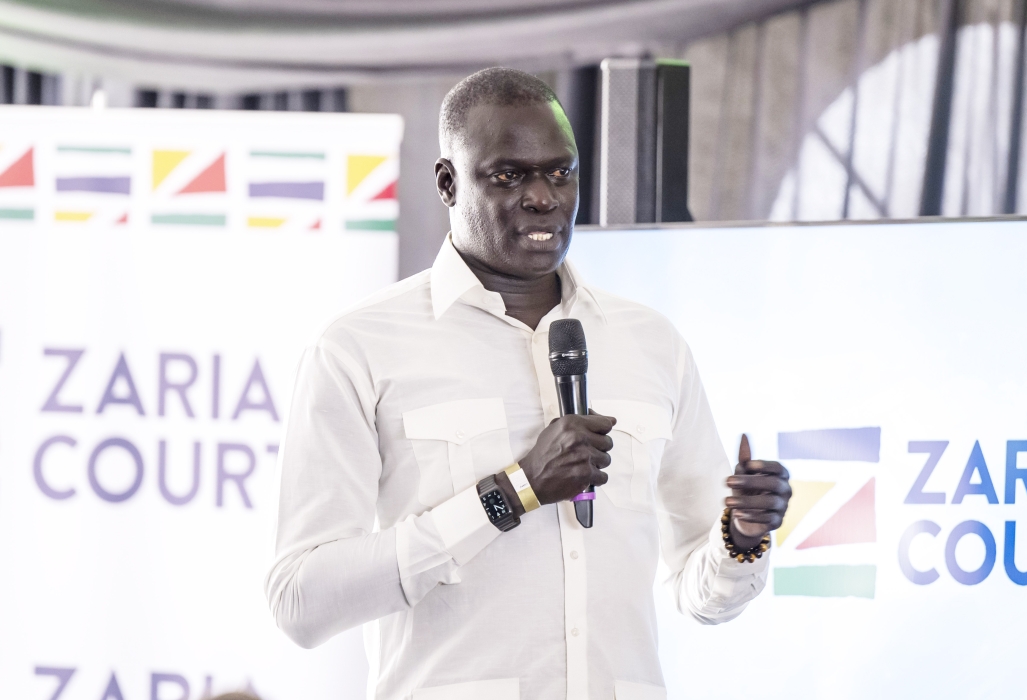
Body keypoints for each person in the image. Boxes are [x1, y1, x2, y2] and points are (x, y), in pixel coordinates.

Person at [266, 67, 791, 700]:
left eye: (561, 172)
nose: (543, 197)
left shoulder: (651, 343)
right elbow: (302, 602)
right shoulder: (359, 348)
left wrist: (740, 537)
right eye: (508, 176)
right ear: (448, 183)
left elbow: (700, 595)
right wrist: (511, 493)